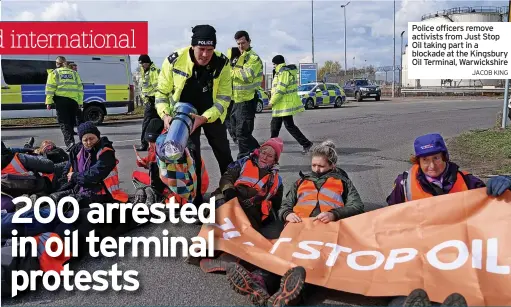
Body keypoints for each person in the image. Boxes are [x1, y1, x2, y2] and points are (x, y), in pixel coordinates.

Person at [155, 24, 234, 207]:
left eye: (210, 49)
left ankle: (233, 192)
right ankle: (195, 199)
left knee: (224, 154)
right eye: (201, 49)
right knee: (192, 157)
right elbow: (161, 93)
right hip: (185, 114)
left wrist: (205, 118)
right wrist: (166, 115)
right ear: (193, 47)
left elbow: (224, 98)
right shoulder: (174, 60)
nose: (205, 55)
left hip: (210, 113)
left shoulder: (222, 63)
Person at [386, 133, 486, 205]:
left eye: (436, 158)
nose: (432, 166)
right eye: (425, 160)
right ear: (418, 162)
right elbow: (391, 216)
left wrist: (499, 185)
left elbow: (488, 201)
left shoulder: (467, 181)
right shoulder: (404, 184)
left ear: (444, 157)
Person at [278, 140, 365, 223]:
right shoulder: (300, 182)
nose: (316, 169)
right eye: (314, 165)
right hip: (300, 225)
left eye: (321, 166)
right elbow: (285, 205)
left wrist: (334, 214)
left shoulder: (343, 182)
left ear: (332, 165)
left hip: (331, 225)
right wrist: (287, 214)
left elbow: (357, 206)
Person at [212, 137, 284, 232]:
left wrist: (272, 216)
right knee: (219, 202)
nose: (264, 158)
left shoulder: (277, 180)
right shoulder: (244, 162)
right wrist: (229, 190)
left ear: (275, 160)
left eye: (270, 156)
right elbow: (228, 176)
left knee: (245, 231)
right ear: (259, 152)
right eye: (263, 153)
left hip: (251, 207)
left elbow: (276, 204)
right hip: (232, 197)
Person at [58, 122, 129, 205]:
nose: (88, 142)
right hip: (79, 189)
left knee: (67, 207)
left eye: (92, 139)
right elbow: (67, 170)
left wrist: (74, 176)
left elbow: (93, 175)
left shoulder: (106, 152)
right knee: (54, 198)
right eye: (85, 140)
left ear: (97, 137)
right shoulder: (77, 150)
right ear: (81, 141)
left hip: (102, 193)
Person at [228, 30, 263, 159]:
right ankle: (259, 152)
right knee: (236, 131)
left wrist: (230, 71)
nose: (241, 46)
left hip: (247, 100)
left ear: (249, 41)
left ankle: (242, 159)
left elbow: (246, 76)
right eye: (238, 44)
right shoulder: (237, 57)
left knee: (242, 132)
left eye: (243, 43)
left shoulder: (253, 58)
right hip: (235, 99)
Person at [269, 55, 313, 154]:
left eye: (274, 64)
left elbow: (280, 89)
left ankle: (306, 143)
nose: (273, 66)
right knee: (276, 126)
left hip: (284, 104)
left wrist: (272, 101)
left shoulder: (283, 72)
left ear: (278, 63)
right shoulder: (282, 72)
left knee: (286, 126)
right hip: (281, 104)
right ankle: (272, 146)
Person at [45, 56, 84, 151]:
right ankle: (74, 142)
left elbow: (50, 89)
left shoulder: (54, 73)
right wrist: (80, 102)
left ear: (57, 63)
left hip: (61, 100)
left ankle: (70, 143)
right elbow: (80, 89)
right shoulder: (74, 73)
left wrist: (48, 102)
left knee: (64, 122)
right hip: (73, 101)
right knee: (70, 122)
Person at [136, 54, 161, 151]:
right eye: (140, 64)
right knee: (152, 123)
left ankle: (145, 144)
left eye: (142, 64)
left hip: (155, 101)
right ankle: (149, 144)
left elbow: (159, 86)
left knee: (148, 123)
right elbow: (142, 88)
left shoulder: (154, 71)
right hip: (149, 102)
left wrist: (155, 98)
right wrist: (145, 99)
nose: (141, 66)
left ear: (147, 63)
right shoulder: (143, 71)